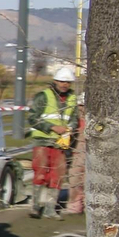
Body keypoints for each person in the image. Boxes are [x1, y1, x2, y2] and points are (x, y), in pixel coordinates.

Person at [26, 66, 78, 219]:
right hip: (43, 140)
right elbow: (33, 118)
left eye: (67, 82)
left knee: (58, 176)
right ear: (55, 81)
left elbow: (74, 118)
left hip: (60, 143)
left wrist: (70, 128)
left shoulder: (72, 98)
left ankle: (50, 209)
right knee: (40, 173)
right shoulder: (43, 96)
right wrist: (53, 127)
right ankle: (35, 207)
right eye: (62, 81)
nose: (64, 84)